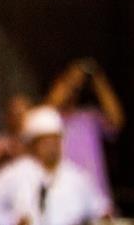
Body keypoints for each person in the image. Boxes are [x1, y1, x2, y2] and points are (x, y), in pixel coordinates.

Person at [0, 106, 109, 225]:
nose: (52, 147)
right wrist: (11, 221)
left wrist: (105, 215)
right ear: (33, 144)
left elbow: (100, 208)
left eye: (55, 140)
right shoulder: (15, 172)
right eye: (46, 142)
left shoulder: (76, 176)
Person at [45, 59, 124, 205]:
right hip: (63, 198)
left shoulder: (89, 117)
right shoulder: (49, 121)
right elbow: (48, 108)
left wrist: (97, 79)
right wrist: (71, 80)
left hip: (95, 197)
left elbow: (116, 120)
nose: (72, 90)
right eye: (65, 83)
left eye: (76, 87)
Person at [0, 94, 34, 183]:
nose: (18, 119)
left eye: (21, 114)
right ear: (7, 117)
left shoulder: (36, 145)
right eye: (14, 114)